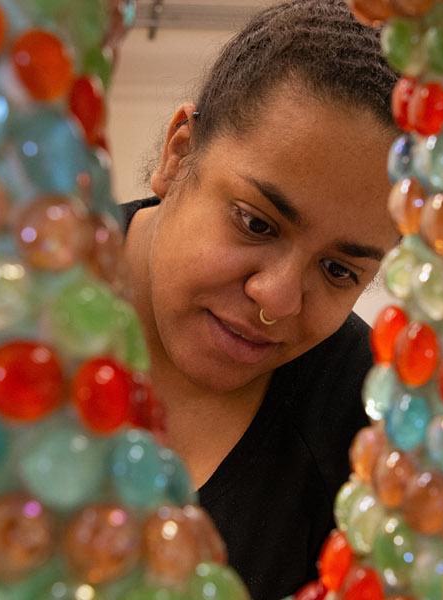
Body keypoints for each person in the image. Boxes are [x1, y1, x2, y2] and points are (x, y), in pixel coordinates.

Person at [119, 0, 400, 597]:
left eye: (337, 270)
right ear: (178, 153)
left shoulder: (366, 430)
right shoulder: (27, 295)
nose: (275, 300)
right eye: (256, 223)